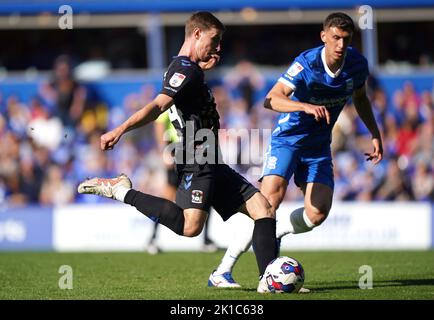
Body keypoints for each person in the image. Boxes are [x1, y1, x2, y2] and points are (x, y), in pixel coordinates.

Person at [77, 11, 277, 292]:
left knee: (264, 208)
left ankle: (269, 281)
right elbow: (157, 106)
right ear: (196, 34)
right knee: (189, 226)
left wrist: (202, 67)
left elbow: (188, 100)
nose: (218, 47)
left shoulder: (190, 70)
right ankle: (119, 190)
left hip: (210, 157)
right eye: (214, 39)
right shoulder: (185, 70)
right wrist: (119, 129)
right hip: (196, 157)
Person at [208, 12, 383, 292]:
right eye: (335, 37)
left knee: (317, 213)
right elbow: (271, 99)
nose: (340, 44)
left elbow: (360, 98)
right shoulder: (307, 63)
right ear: (324, 36)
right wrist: (304, 106)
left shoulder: (358, 65)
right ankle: (224, 271)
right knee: (266, 205)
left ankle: (273, 234)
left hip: (318, 147)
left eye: (346, 39)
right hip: (287, 140)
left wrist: (375, 133)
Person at [147, 110, 218, 254]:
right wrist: (165, 151)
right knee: (168, 196)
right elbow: (160, 125)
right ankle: (153, 238)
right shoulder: (170, 100)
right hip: (176, 152)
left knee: (205, 193)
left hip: (194, 153)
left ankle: (206, 239)